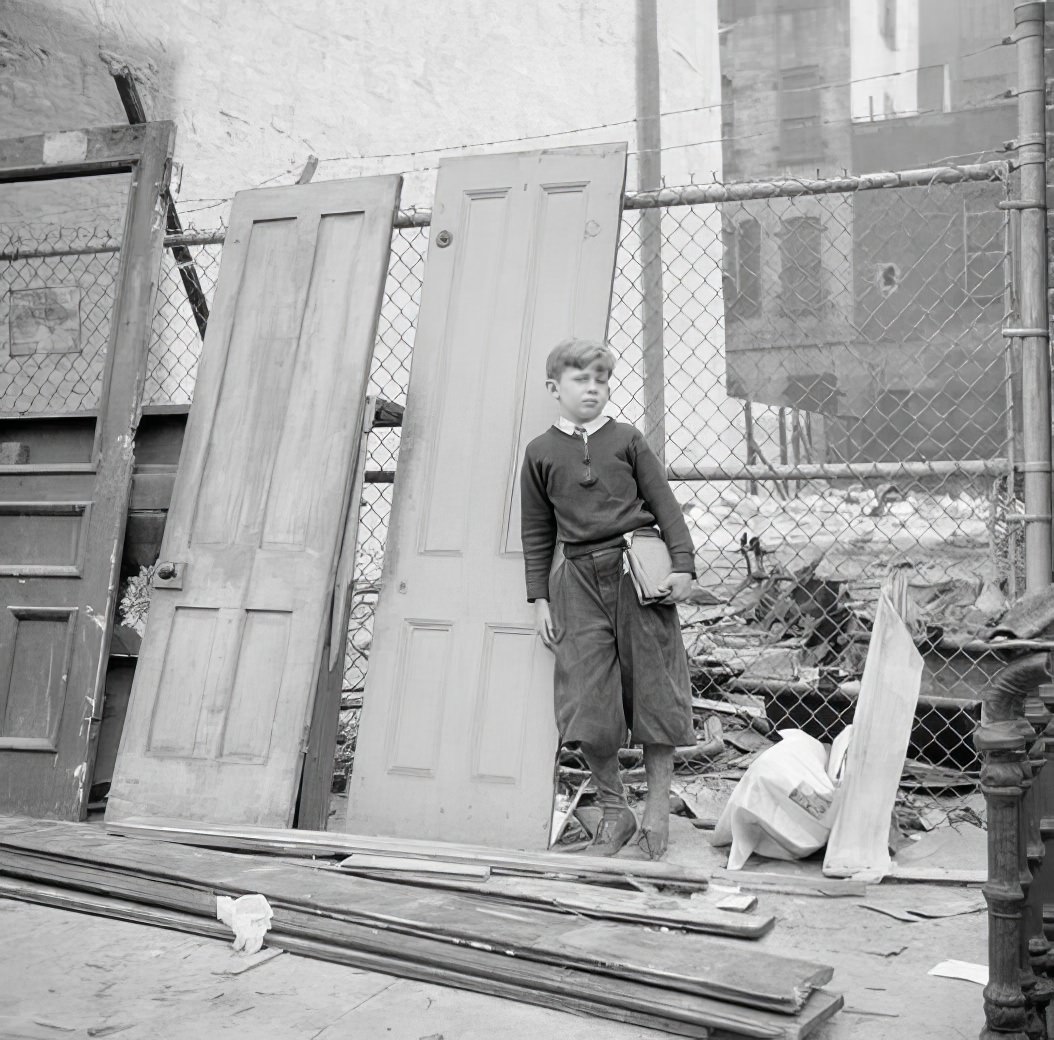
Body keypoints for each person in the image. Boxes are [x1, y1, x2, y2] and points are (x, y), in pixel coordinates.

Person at [519, 338, 697, 859]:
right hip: (576, 579)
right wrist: (540, 600)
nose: (592, 388)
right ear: (555, 388)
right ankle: (615, 811)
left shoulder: (627, 440)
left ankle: (657, 811)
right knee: (587, 694)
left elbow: (665, 504)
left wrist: (682, 565)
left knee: (654, 686)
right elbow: (536, 532)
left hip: (635, 572)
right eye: (580, 380)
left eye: (601, 379)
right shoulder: (540, 453)